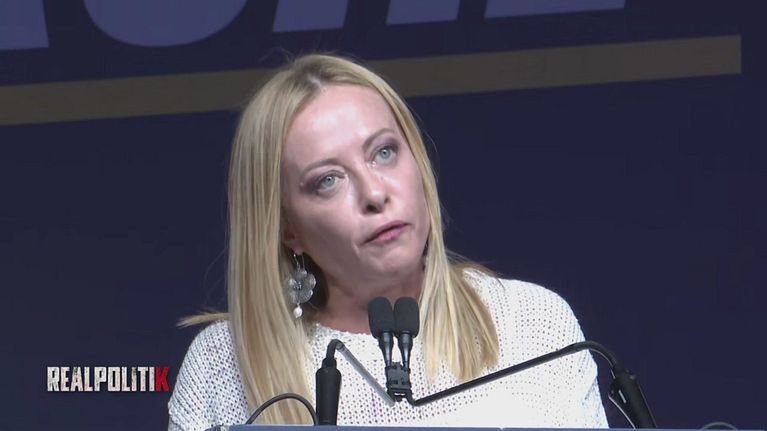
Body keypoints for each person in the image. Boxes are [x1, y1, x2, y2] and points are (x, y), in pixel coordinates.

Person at [168, 54, 608, 430]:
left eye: (384, 152)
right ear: (287, 230)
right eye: (328, 180)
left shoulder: (531, 323)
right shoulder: (221, 365)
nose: (375, 193)